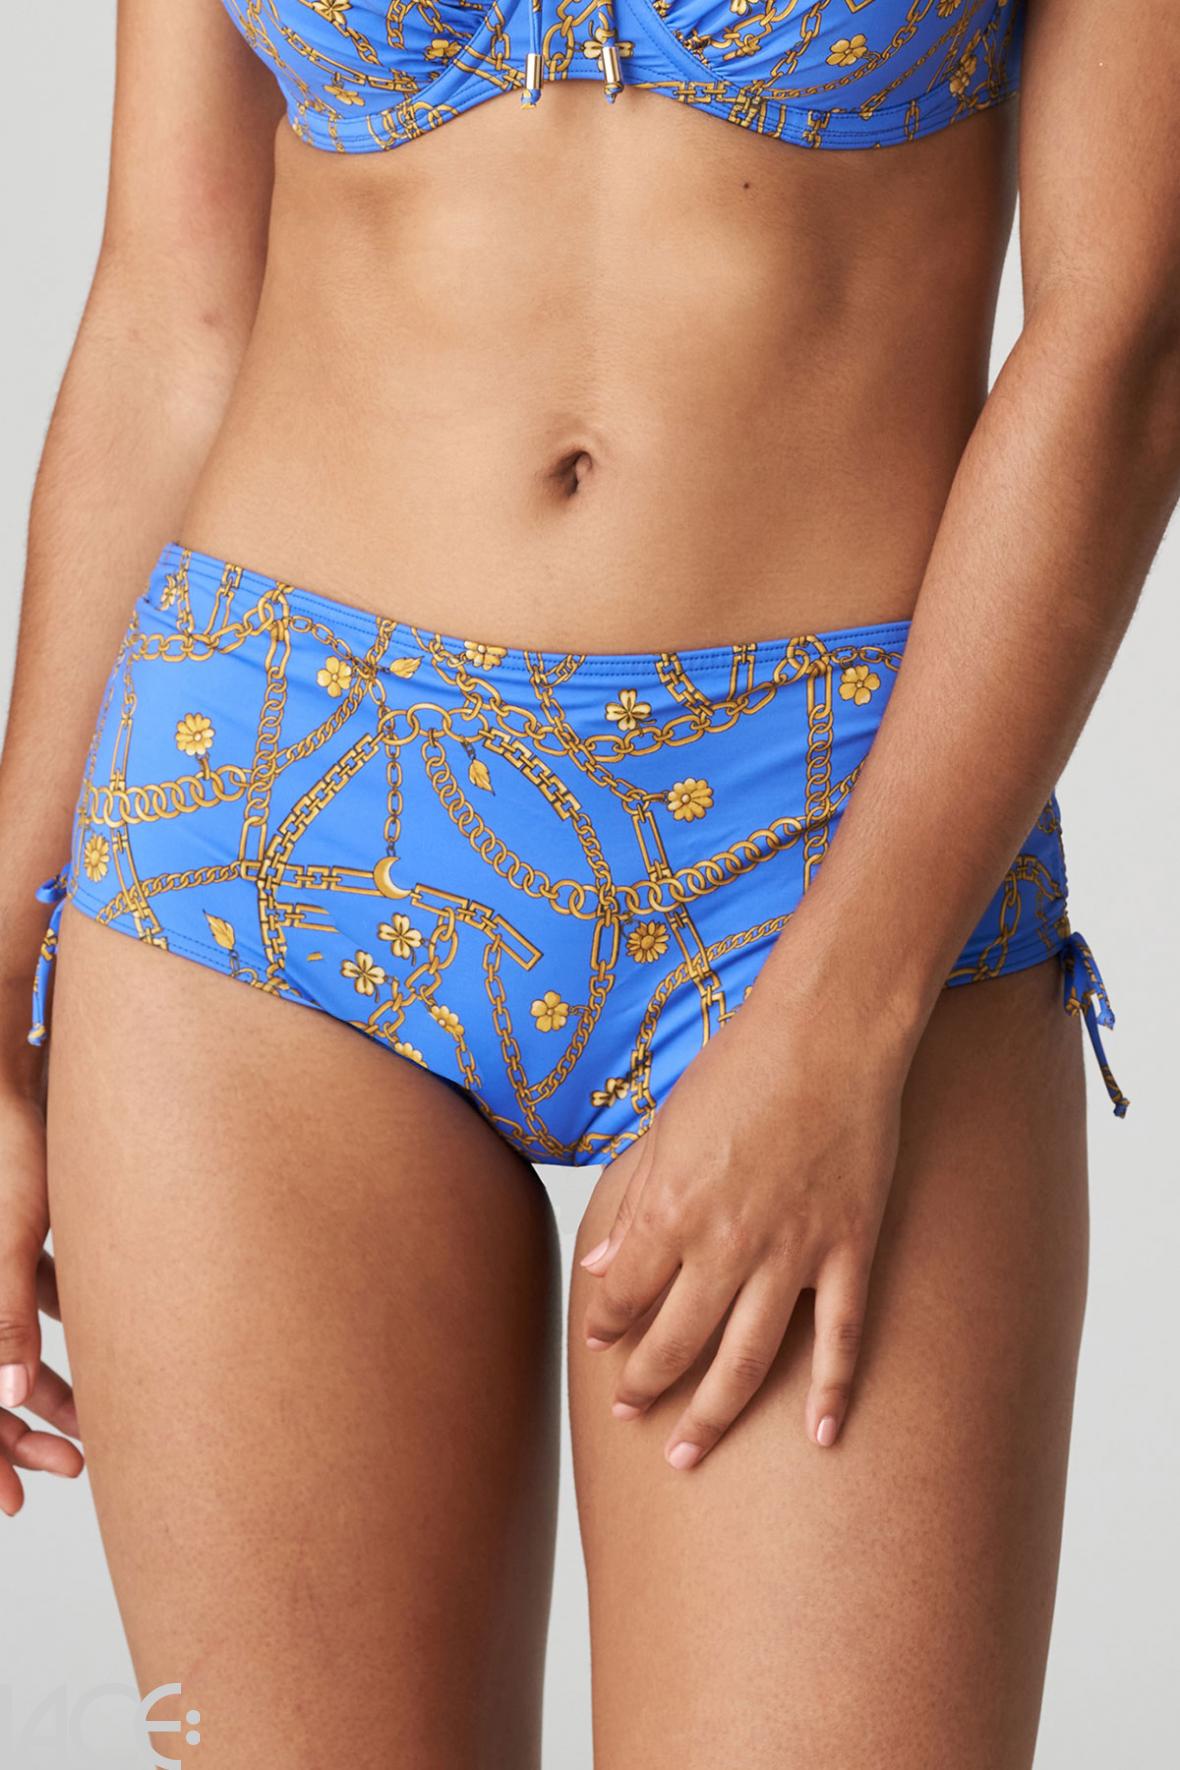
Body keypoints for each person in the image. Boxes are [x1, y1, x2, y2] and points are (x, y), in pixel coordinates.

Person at [0, 0, 1176, 1763]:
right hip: (263, 832)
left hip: (838, 846)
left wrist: (841, 1026)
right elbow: (172, 304)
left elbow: (1126, 336)